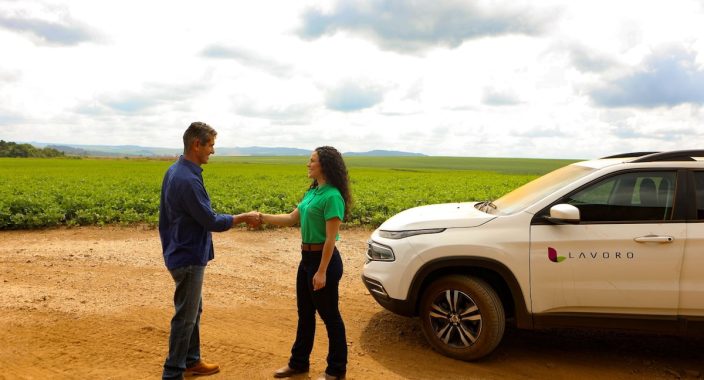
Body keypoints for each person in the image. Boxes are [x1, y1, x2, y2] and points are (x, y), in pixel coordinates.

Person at [159, 121, 258, 380]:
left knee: (193, 310)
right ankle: (172, 372)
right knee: (186, 317)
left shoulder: (175, 171)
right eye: (211, 145)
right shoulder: (187, 179)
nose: (212, 151)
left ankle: (191, 361)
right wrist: (244, 217)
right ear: (196, 144)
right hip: (188, 255)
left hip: (178, 250)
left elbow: (166, 218)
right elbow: (211, 221)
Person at [255, 146, 351, 380]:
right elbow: (291, 218)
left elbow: (331, 239)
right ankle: (298, 363)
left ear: (325, 165)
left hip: (323, 261)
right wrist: (261, 217)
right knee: (305, 314)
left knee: (330, 316)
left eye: (312, 161)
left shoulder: (333, 196)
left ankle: (336, 371)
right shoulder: (314, 192)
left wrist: (321, 272)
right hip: (306, 259)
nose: (308, 164)